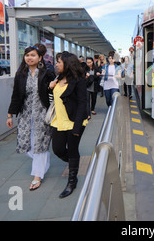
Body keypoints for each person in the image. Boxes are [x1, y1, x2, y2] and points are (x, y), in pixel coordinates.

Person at [7, 45, 55, 191]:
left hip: (43, 113)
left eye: (33, 55)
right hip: (26, 114)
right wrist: (10, 114)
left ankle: (37, 175)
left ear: (40, 58)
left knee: (40, 143)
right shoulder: (21, 74)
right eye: (27, 55)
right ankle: (42, 163)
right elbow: (16, 95)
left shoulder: (47, 73)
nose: (29, 57)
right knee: (27, 143)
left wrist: (51, 86)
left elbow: (55, 92)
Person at [49, 51, 88, 198]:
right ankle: (74, 162)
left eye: (59, 62)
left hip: (73, 121)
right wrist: (50, 87)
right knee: (58, 149)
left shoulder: (78, 80)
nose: (56, 64)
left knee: (72, 149)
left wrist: (77, 126)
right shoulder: (58, 78)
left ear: (67, 63)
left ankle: (72, 181)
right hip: (58, 121)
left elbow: (82, 103)